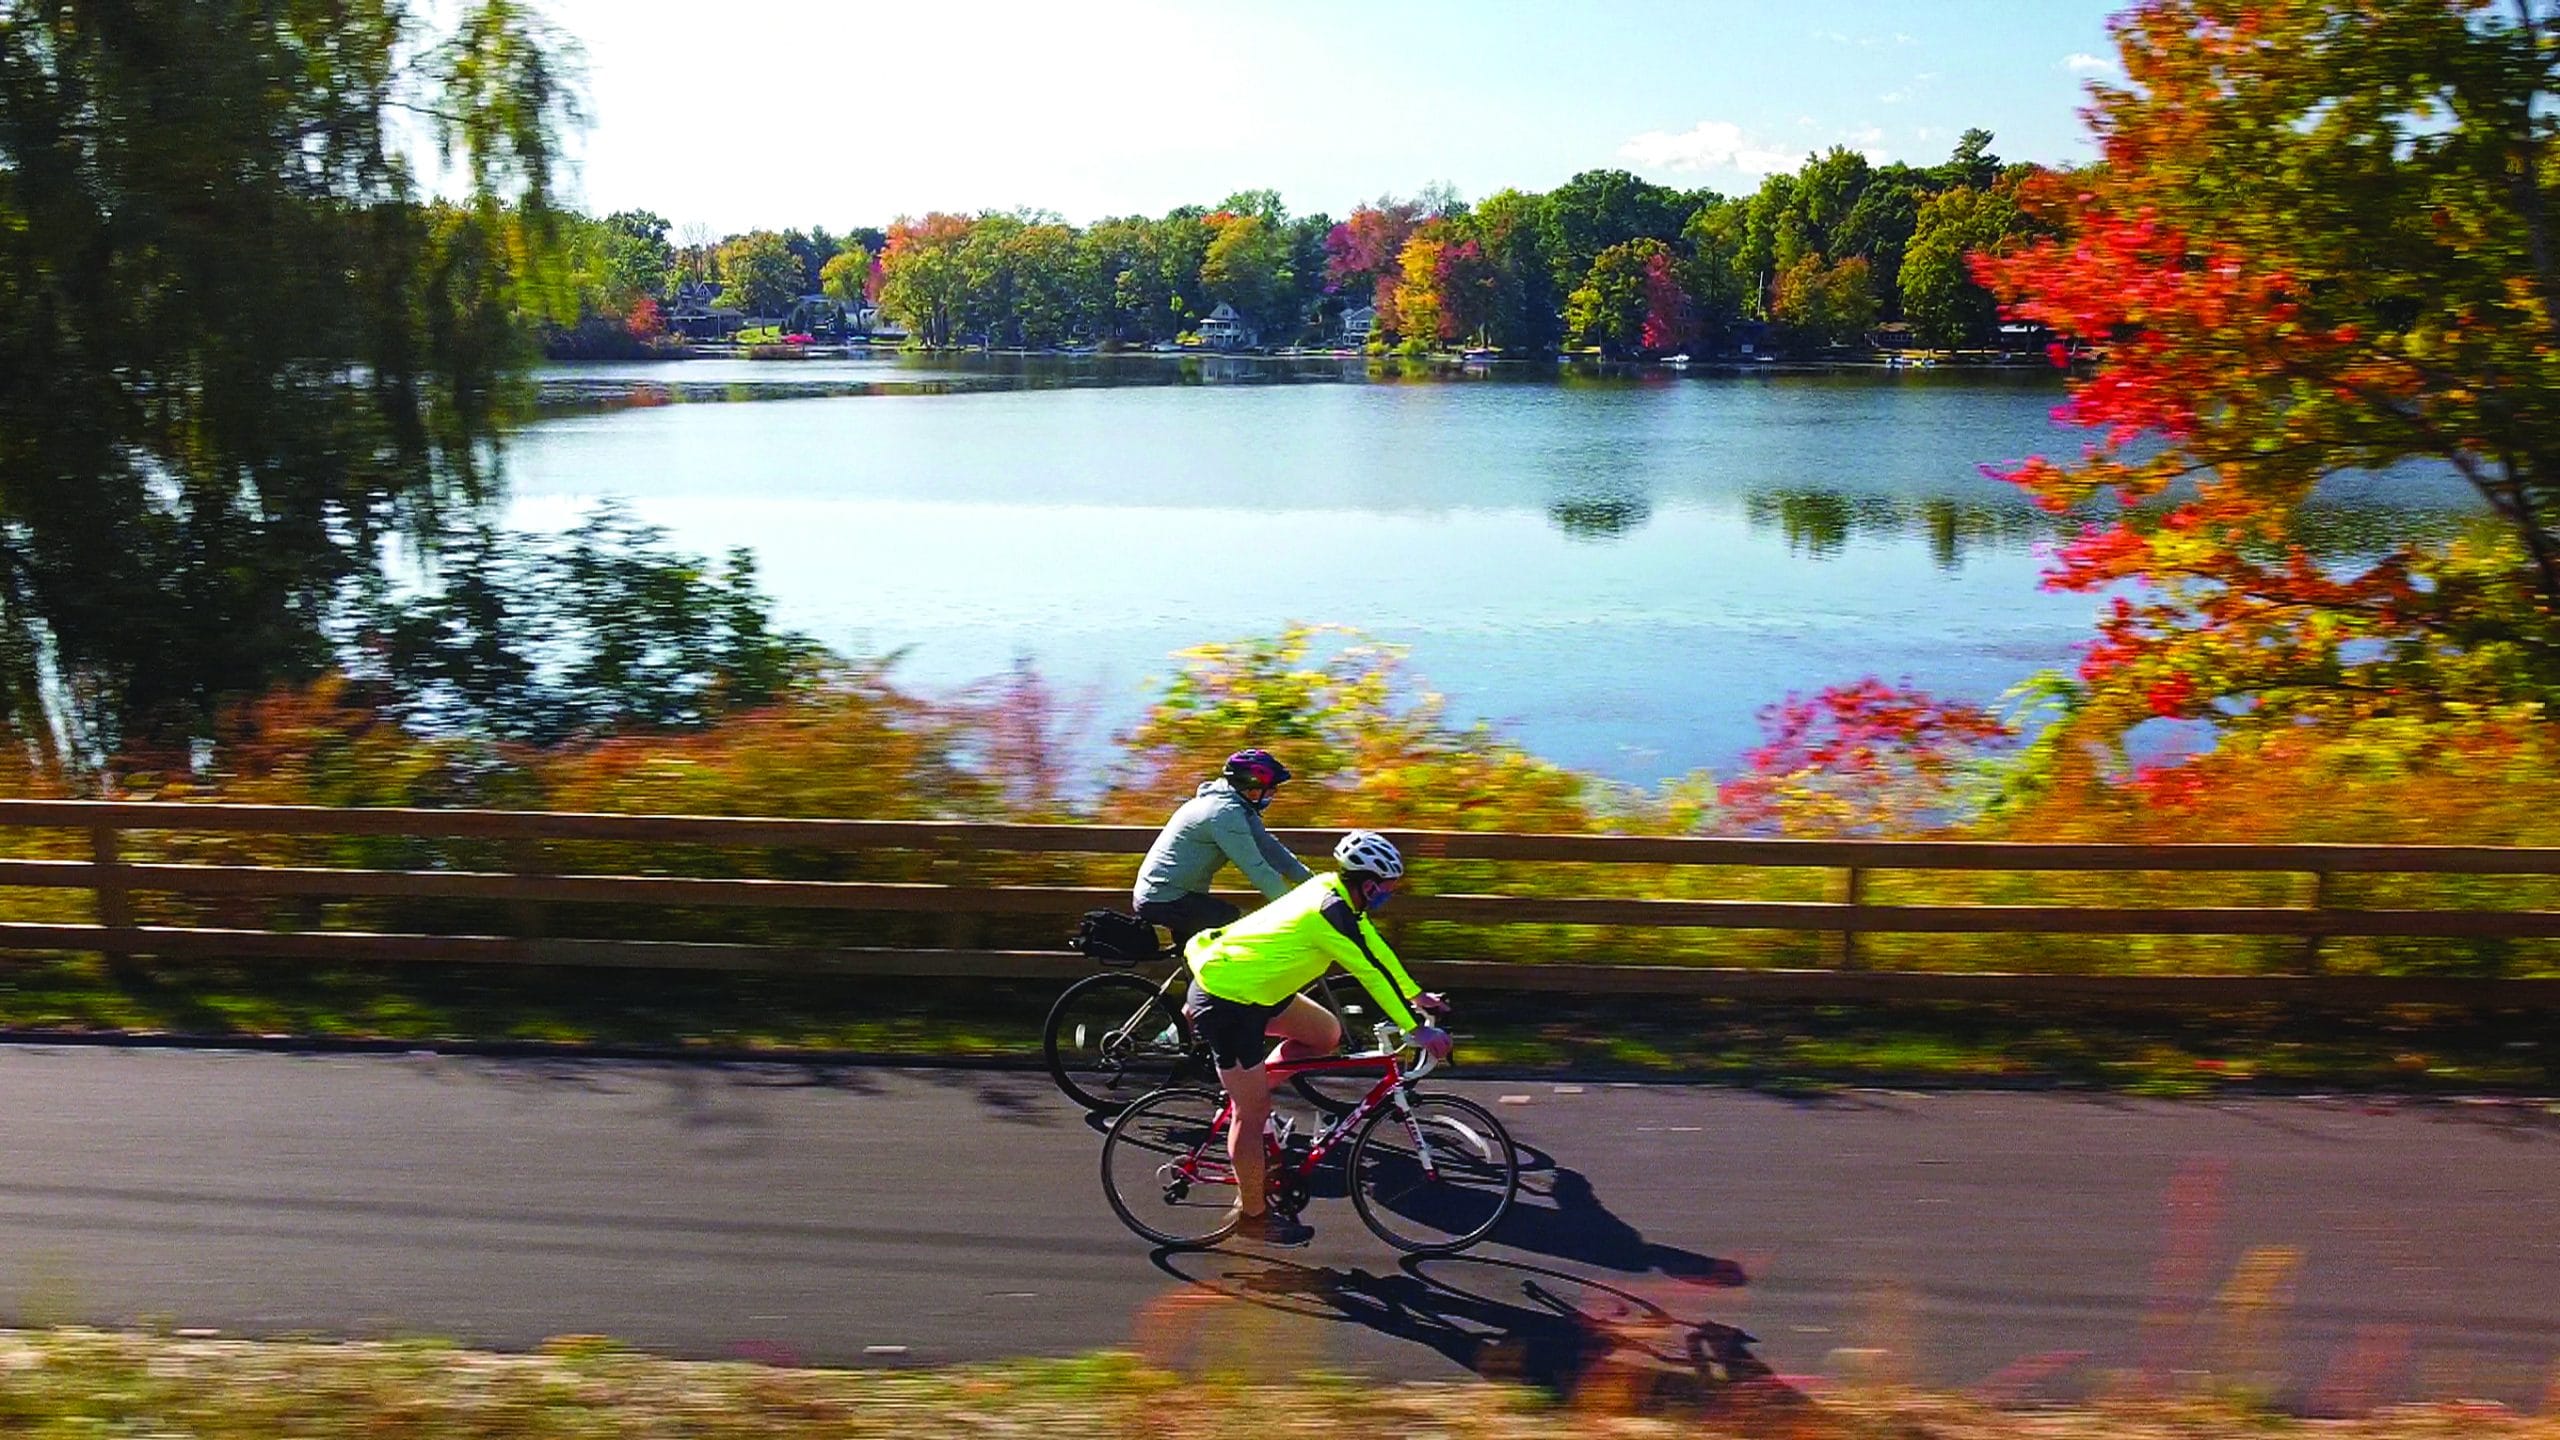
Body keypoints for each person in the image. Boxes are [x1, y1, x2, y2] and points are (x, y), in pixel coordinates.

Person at [1183, 828, 1451, 1247]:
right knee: (1251, 1116)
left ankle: (1251, 1085)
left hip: (1263, 988)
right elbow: (1367, 973)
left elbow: (1374, 951)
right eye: (1387, 889)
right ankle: (1253, 1216)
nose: (1389, 896)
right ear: (1368, 884)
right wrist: (1414, 1029)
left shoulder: (1336, 891)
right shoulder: (1328, 912)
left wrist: (1416, 994)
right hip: (1227, 1002)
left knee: (1326, 1033)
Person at [1131, 748, 1313, 953]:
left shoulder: (1238, 806)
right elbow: (1258, 870)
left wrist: (1314, 883)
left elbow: (1271, 849)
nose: (1273, 793)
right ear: (1252, 787)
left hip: (1172, 895)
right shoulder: (1224, 814)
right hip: (1166, 899)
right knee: (1248, 928)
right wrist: (1297, 907)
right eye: (1270, 788)